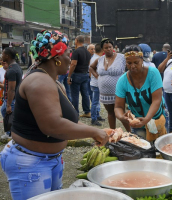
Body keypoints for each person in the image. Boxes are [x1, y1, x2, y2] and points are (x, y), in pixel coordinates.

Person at [0, 30, 109, 200]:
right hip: (30, 164)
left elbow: (65, 121)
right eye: (67, 52)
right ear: (56, 57)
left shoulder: (55, 82)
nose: (70, 57)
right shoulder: (39, 82)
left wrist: (98, 131)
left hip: (50, 160)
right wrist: (93, 132)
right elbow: (52, 126)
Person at [114, 45, 166, 140]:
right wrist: (122, 117)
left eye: (136, 62)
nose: (132, 66)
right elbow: (118, 106)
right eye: (129, 63)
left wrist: (146, 119)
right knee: (142, 149)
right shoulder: (122, 81)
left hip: (156, 119)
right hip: (137, 123)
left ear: (142, 60)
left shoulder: (153, 73)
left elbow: (157, 100)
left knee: (159, 147)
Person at [90, 38, 130, 130]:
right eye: (106, 48)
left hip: (118, 91)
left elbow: (131, 65)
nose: (108, 49)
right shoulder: (100, 59)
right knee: (110, 113)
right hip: (104, 92)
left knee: (121, 113)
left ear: (113, 47)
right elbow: (91, 67)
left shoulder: (121, 57)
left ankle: (130, 133)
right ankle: (113, 133)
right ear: (102, 49)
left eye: (110, 47)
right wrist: (97, 76)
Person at [1, 47, 23, 139]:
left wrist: (9, 104)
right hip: (11, 98)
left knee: (11, 116)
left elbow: (11, 89)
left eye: (2, 53)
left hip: (12, 99)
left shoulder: (12, 70)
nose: (1, 55)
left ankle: (13, 135)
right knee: (3, 111)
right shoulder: (14, 67)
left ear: (7, 56)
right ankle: (9, 132)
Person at [68, 35, 91, 117]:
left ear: (76, 41)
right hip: (85, 74)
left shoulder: (76, 52)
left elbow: (73, 64)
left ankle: (75, 113)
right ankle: (87, 111)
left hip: (77, 75)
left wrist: (69, 76)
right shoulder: (87, 52)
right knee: (85, 93)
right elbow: (88, 64)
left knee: (75, 94)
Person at [89, 43, 105, 126]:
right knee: (95, 101)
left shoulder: (93, 58)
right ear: (102, 50)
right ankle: (94, 118)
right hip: (96, 83)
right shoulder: (99, 59)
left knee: (96, 101)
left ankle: (97, 115)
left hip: (94, 82)